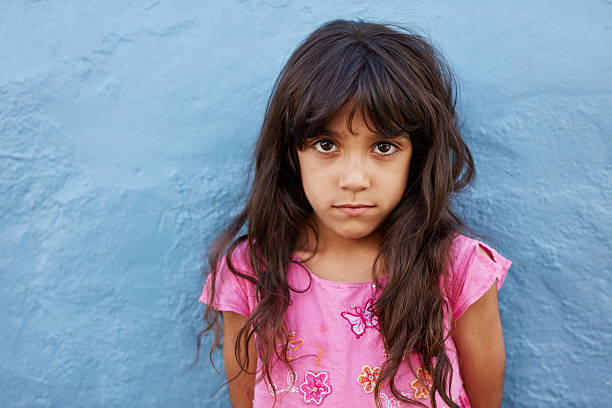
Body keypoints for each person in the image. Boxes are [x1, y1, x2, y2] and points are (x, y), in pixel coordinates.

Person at [195, 18, 513, 408]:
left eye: (383, 147)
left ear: (418, 155)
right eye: (327, 144)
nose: (354, 179)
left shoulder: (458, 271)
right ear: (293, 152)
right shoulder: (251, 273)